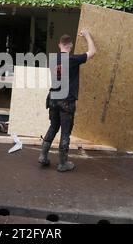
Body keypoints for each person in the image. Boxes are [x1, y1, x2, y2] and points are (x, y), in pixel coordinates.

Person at [38, 30, 96, 172]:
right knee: (65, 132)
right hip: (66, 101)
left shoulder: (52, 60)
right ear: (70, 45)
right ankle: (63, 164)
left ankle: (43, 156)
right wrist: (87, 35)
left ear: (59, 45)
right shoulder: (73, 60)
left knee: (53, 126)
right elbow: (93, 52)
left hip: (53, 99)